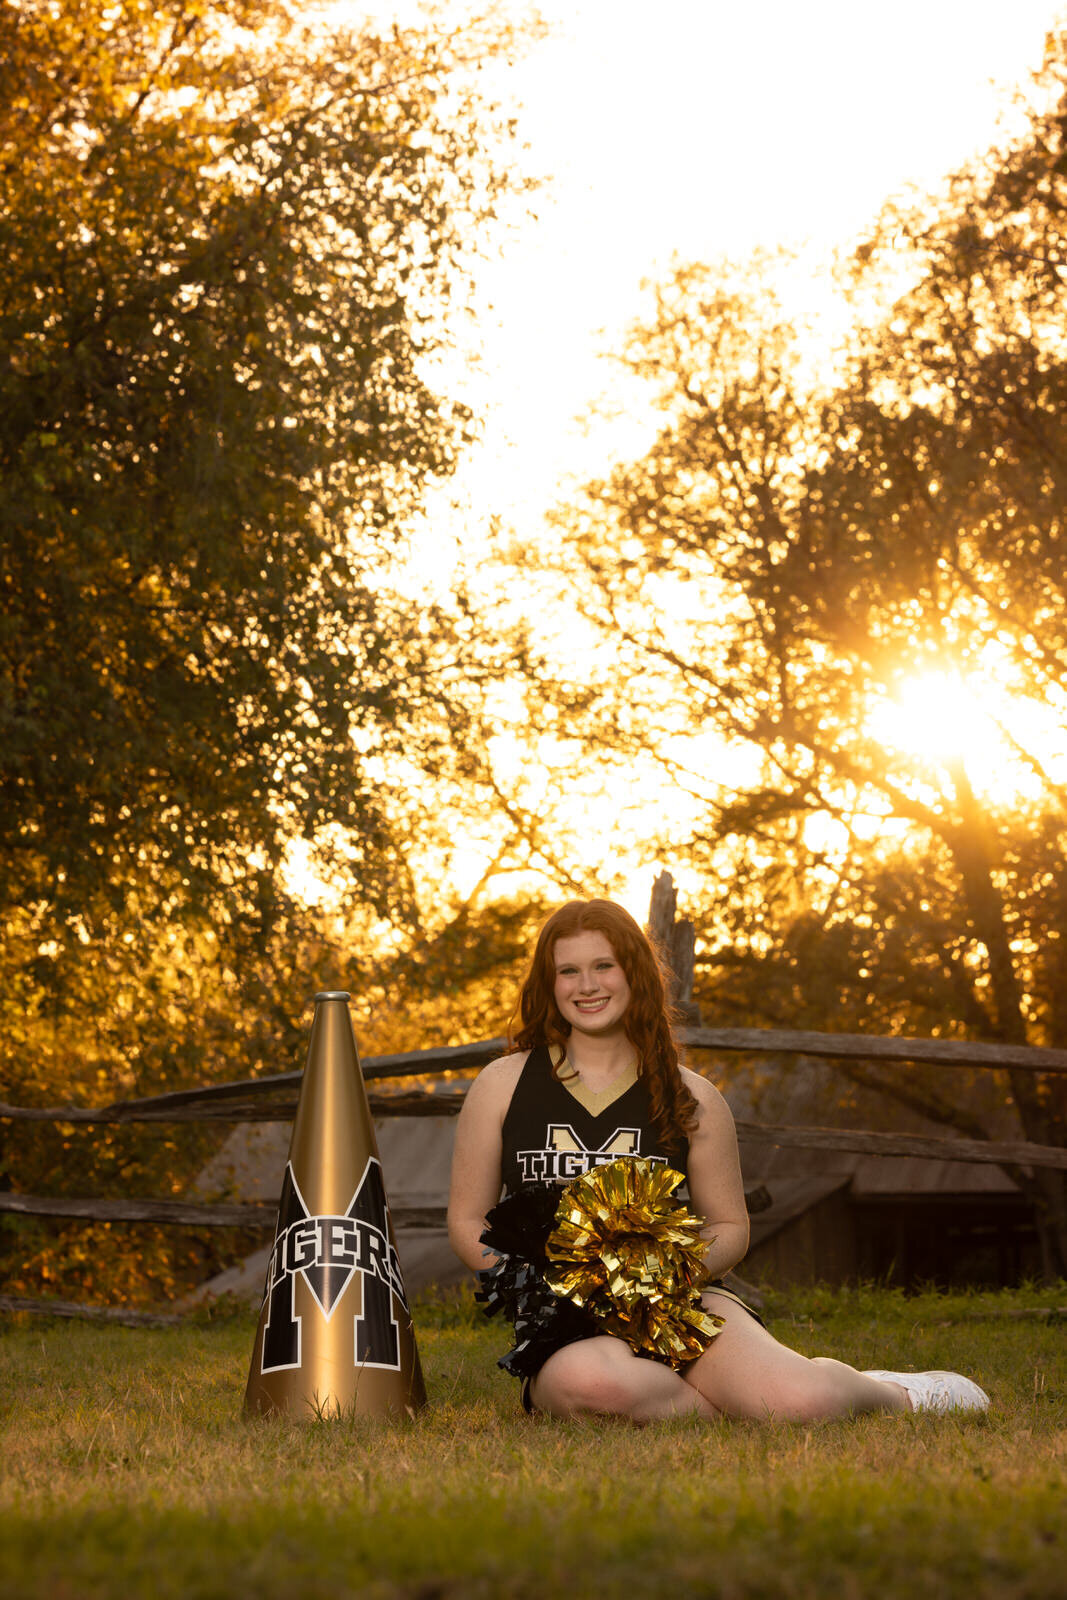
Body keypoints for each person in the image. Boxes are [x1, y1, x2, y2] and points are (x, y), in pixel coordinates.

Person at [447, 898, 990, 1423]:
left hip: (678, 1301)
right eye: (568, 971)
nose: (586, 985)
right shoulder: (504, 1084)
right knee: (594, 1387)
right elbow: (467, 1219)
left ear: (633, 972)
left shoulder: (693, 1095)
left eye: (602, 966)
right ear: (550, 984)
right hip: (563, 1319)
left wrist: (656, 1277)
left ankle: (897, 1394)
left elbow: (730, 1226)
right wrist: (540, 1283)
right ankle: (735, 1404)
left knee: (799, 1404)